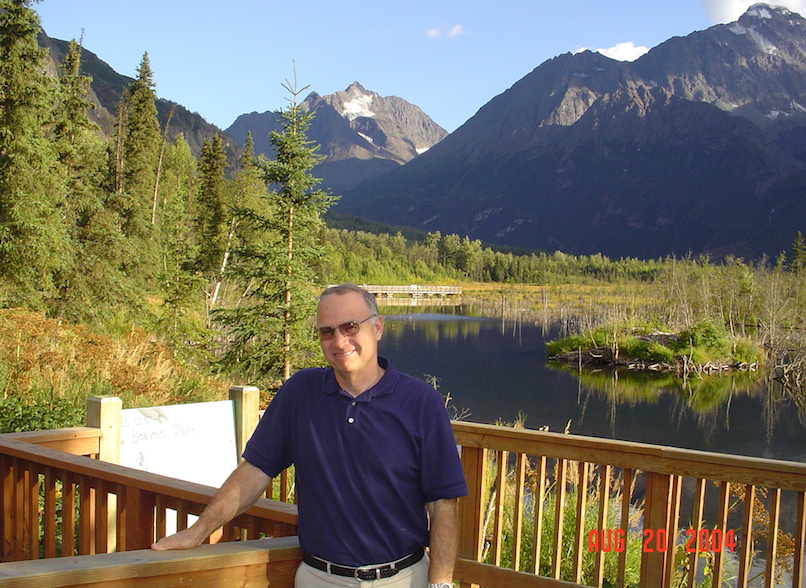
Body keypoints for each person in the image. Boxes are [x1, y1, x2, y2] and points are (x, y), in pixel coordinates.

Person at [152, 283, 468, 588]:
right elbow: (255, 472)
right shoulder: (300, 393)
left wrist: (440, 584)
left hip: (403, 579)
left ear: (377, 328)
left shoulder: (420, 402)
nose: (340, 341)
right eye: (327, 331)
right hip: (320, 578)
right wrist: (198, 531)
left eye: (350, 327)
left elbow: (442, 503)